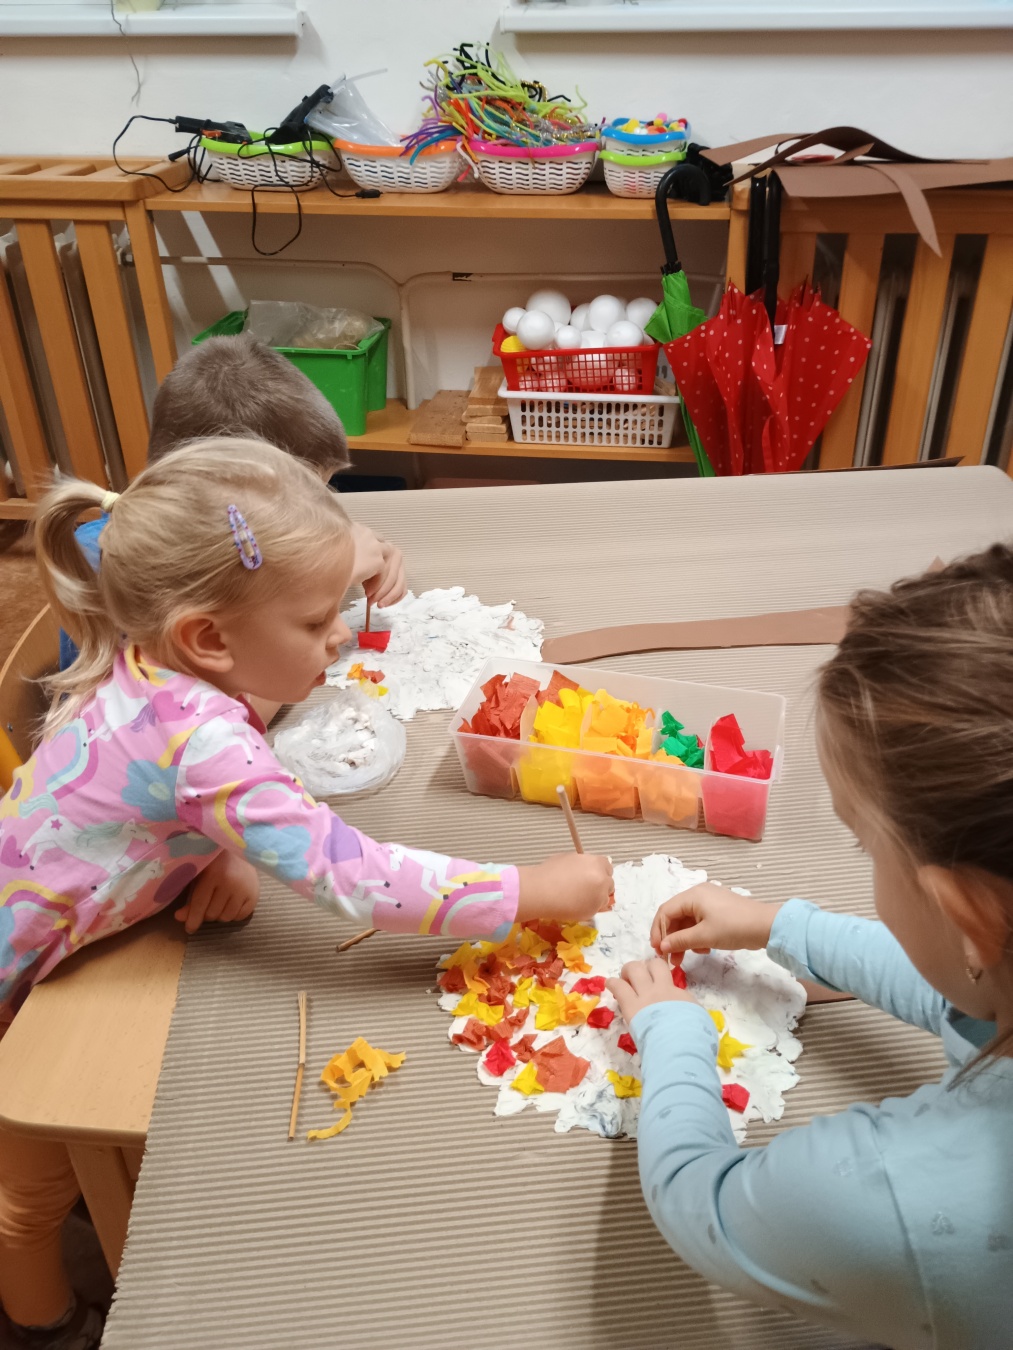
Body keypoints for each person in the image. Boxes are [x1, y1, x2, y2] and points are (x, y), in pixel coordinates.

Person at [0, 439, 613, 1350]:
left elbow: (159, 791)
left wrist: (215, 845)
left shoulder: (161, 660)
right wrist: (529, 889)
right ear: (210, 638)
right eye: (319, 619)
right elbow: (355, 876)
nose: (340, 637)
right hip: (18, 979)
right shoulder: (203, 743)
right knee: (34, 1188)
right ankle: (42, 1321)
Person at [607, 546, 1013, 1350]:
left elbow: (700, 1202)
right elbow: (970, 988)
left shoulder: (886, 1197)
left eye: (864, 844)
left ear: (966, 916)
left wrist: (673, 1031)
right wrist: (780, 926)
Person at [60, 332, 407, 949]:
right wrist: (218, 841)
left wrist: (335, 559)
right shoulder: (121, 589)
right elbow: (196, 733)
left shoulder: (196, 553)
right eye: (305, 500)